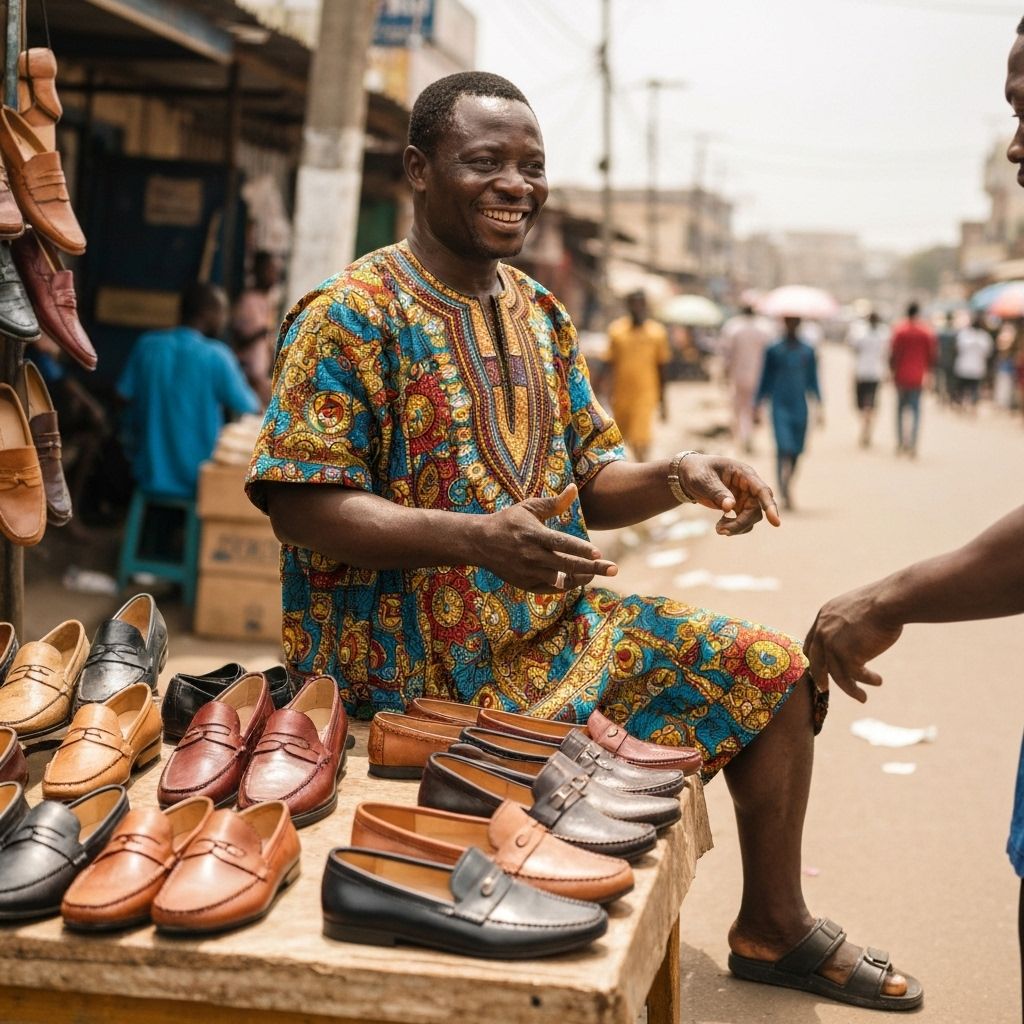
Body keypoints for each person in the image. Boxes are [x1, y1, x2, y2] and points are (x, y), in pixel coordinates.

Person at [245, 71, 917, 1011]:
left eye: (531, 165)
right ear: (418, 171)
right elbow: (300, 503)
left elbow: (591, 484)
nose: (516, 184)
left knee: (771, 671)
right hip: (403, 674)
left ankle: (774, 926)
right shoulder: (349, 314)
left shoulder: (540, 313)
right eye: (485, 162)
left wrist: (682, 473)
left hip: (550, 638)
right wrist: (475, 541)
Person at [119, 282, 260, 499]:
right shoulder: (217, 356)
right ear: (207, 314)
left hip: (146, 471)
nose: (224, 319)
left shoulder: (147, 346)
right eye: (221, 312)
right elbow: (249, 406)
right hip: (198, 478)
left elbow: (122, 395)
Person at [754, 316, 823, 511]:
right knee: (783, 447)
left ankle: (788, 481)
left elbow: (813, 380)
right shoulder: (773, 350)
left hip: (800, 407)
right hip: (779, 405)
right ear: (784, 323)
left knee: (796, 451)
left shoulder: (808, 351)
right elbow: (765, 379)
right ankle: (783, 488)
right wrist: (757, 404)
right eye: (788, 321)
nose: (792, 325)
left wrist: (820, 405)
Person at [603, 291, 669, 462]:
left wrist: (664, 401)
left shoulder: (657, 333)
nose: (637, 308)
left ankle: (641, 473)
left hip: (646, 394)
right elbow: (609, 363)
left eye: (640, 304)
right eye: (634, 304)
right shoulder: (616, 331)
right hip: (621, 395)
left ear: (645, 306)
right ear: (628, 306)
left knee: (641, 440)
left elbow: (661, 367)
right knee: (618, 441)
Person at [231, 250, 284, 406]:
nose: (273, 275)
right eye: (269, 270)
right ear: (257, 272)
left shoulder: (268, 301)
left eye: (275, 271)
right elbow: (238, 340)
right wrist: (260, 333)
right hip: (247, 379)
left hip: (262, 378)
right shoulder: (248, 301)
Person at [719, 304, 772, 453]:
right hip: (758, 376)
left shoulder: (733, 327)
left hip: (739, 375)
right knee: (753, 408)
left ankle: (745, 436)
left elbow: (726, 353)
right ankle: (748, 436)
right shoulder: (764, 328)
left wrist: (725, 372)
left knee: (742, 408)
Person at [888, 301, 936, 457]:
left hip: (901, 377)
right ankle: (913, 444)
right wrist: (928, 374)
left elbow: (893, 354)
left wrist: (891, 372)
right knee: (915, 412)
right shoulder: (926, 332)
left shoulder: (899, 330)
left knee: (900, 411)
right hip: (918, 377)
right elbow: (932, 356)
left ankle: (901, 442)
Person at [846, 311, 890, 448]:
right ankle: (867, 422)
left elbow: (853, 349)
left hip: (864, 373)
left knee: (863, 404)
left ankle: (865, 425)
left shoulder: (861, 334)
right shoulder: (882, 334)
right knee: (868, 404)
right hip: (873, 373)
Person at [953, 313, 993, 416]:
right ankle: (971, 406)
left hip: (965, 367)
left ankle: (964, 406)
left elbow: (957, 349)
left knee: (963, 389)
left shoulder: (964, 335)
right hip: (975, 368)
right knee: (973, 389)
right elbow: (988, 353)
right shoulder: (985, 337)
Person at [936, 311, 958, 405]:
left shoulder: (941, 332)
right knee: (950, 380)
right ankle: (948, 397)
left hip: (942, 359)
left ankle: (942, 397)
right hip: (951, 360)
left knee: (942, 379)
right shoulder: (955, 333)